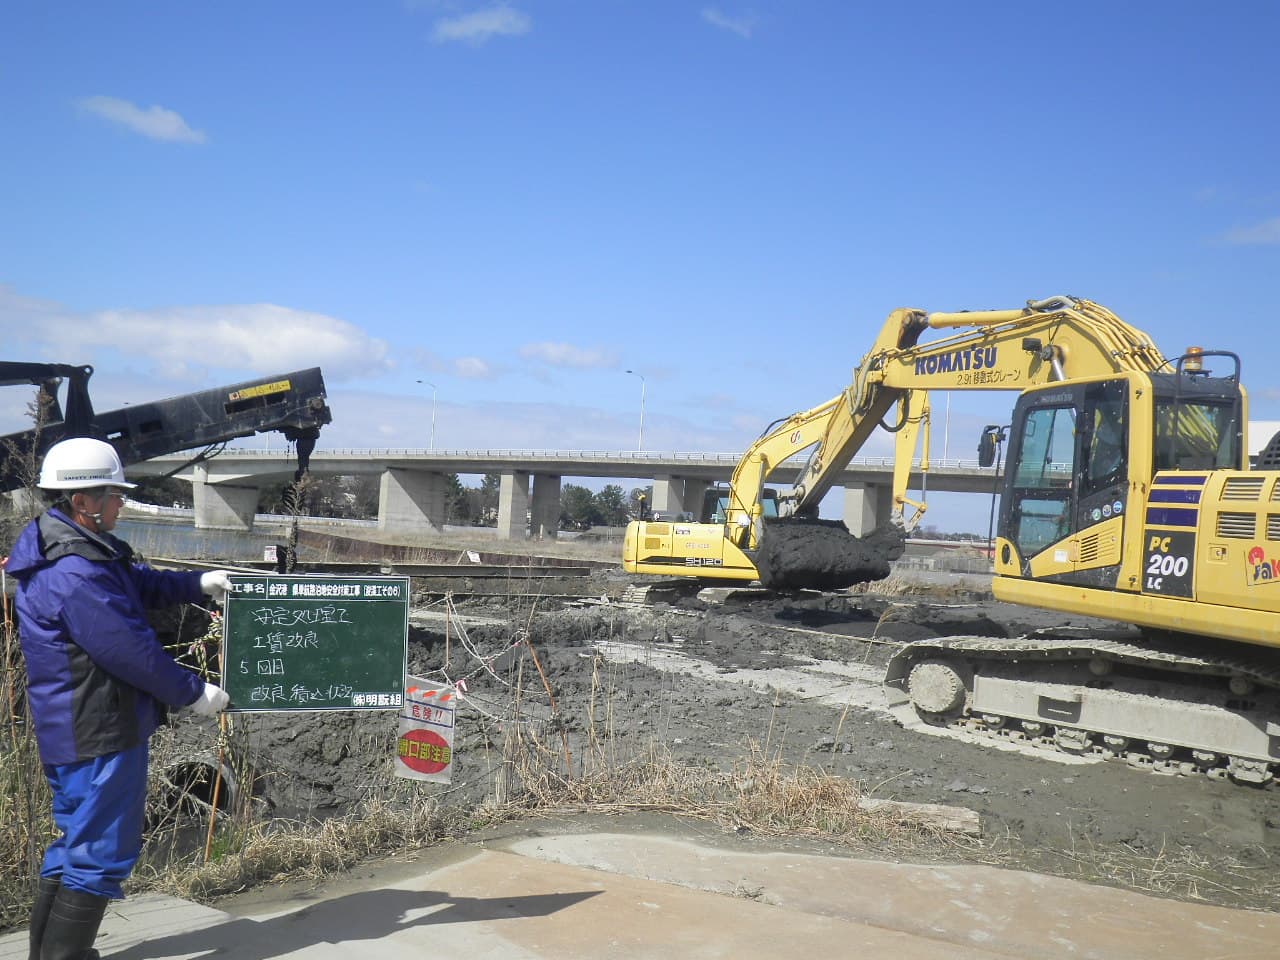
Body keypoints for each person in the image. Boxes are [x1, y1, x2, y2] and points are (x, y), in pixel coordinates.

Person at [3, 437, 234, 960]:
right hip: (101, 729)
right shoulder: (76, 573)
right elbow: (130, 652)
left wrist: (199, 583)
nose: (121, 503)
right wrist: (195, 692)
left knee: (75, 842)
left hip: (73, 725)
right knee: (101, 851)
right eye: (114, 493)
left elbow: (139, 584)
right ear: (83, 501)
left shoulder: (71, 550)